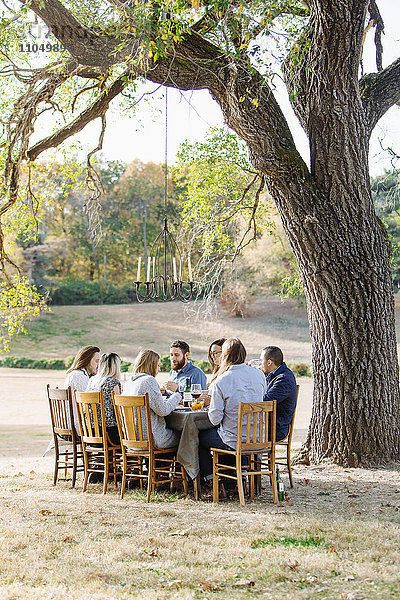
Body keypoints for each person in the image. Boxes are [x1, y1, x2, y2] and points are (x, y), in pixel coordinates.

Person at [198, 338, 266, 482]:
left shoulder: (222, 380)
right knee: (228, 433)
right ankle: (239, 477)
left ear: (225, 356)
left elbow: (215, 419)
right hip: (259, 438)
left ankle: (212, 480)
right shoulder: (259, 375)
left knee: (200, 438)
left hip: (234, 440)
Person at [123, 349, 181, 449]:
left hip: (131, 441)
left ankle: (159, 464)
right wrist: (178, 395)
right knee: (186, 435)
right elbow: (163, 410)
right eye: (158, 366)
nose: (159, 369)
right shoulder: (148, 381)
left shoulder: (129, 383)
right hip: (152, 440)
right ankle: (189, 465)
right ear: (151, 365)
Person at [260, 346, 297, 442]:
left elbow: (265, 401)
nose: (260, 364)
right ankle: (251, 456)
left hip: (275, 429)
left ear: (269, 362)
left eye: (261, 361)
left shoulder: (284, 378)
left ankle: (250, 456)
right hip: (266, 424)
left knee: (239, 433)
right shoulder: (273, 375)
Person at [86, 352, 122, 444]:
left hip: (90, 432)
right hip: (109, 435)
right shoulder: (114, 383)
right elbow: (119, 413)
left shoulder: (92, 381)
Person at [64, 345, 101, 430]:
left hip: (73, 424)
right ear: (86, 360)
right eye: (96, 361)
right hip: (78, 426)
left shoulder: (77, 374)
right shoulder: (78, 376)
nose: (99, 365)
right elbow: (92, 402)